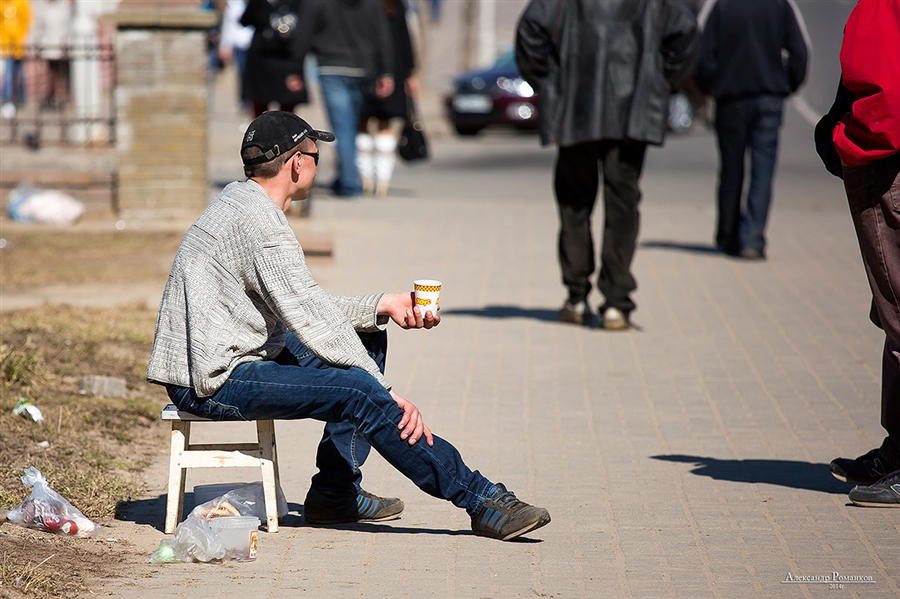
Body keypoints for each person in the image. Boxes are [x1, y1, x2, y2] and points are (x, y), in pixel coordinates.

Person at [146, 110, 552, 540]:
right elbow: (312, 319)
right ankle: (481, 499)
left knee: (367, 338)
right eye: (315, 156)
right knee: (360, 391)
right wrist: (386, 393)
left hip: (226, 357)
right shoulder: (259, 223)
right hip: (214, 380)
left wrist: (384, 305)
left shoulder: (240, 202)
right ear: (296, 163)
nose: (318, 166)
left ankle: (334, 493)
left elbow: (308, 306)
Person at [515, 0, 699, 330]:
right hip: (631, 112)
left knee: (575, 204)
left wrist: (548, 80)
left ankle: (577, 297)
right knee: (622, 205)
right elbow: (685, 32)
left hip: (574, 109)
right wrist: (662, 80)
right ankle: (615, 303)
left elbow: (530, 30)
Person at [815, 0, 900, 508]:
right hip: (882, 153)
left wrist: (844, 138)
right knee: (892, 313)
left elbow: (884, 97)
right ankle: (898, 450)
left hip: (885, 159)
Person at [695, 0, 809, 260]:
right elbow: (800, 52)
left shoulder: (720, 5)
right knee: (762, 171)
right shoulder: (780, 4)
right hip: (769, 96)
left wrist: (712, 86)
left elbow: (702, 52)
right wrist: (785, 84)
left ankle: (728, 234)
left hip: (730, 98)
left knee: (731, 169)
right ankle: (752, 239)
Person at [288, 0, 394, 198]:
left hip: (332, 67)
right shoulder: (372, 4)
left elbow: (304, 31)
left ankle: (349, 182)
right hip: (362, 68)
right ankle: (346, 174)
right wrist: (386, 71)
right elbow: (383, 35)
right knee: (350, 126)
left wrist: (296, 67)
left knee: (343, 128)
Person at [356, 0, 418, 197]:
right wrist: (409, 72)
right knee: (386, 123)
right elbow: (404, 39)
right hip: (394, 68)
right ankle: (382, 180)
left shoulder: (362, 5)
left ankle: (364, 177)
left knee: (362, 122)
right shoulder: (395, 5)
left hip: (364, 66)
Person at [241, 0, 308, 118]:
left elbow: (245, 20)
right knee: (285, 108)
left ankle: (266, 131)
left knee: (264, 106)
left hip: (268, 57)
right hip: (284, 57)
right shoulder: (297, 3)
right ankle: (279, 132)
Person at [32, 0, 72, 111]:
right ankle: (50, 97)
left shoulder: (63, 7)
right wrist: (37, 44)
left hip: (62, 46)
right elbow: (38, 27)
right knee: (51, 73)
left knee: (61, 74)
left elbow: (67, 28)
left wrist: (68, 44)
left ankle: (60, 98)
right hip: (49, 46)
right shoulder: (42, 7)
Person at [218, 0, 254, 115]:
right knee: (242, 74)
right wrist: (225, 45)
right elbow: (228, 26)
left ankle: (255, 101)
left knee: (254, 75)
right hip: (239, 44)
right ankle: (245, 103)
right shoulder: (234, 4)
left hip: (255, 44)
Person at [0, 0, 30, 115]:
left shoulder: (21, 3)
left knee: (20, 73)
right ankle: (7, 98)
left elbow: (26, 21)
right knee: (8, 72)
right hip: (6, 45)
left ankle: (21, 97)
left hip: (19, 44)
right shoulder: (1, 3)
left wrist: (24, 39)